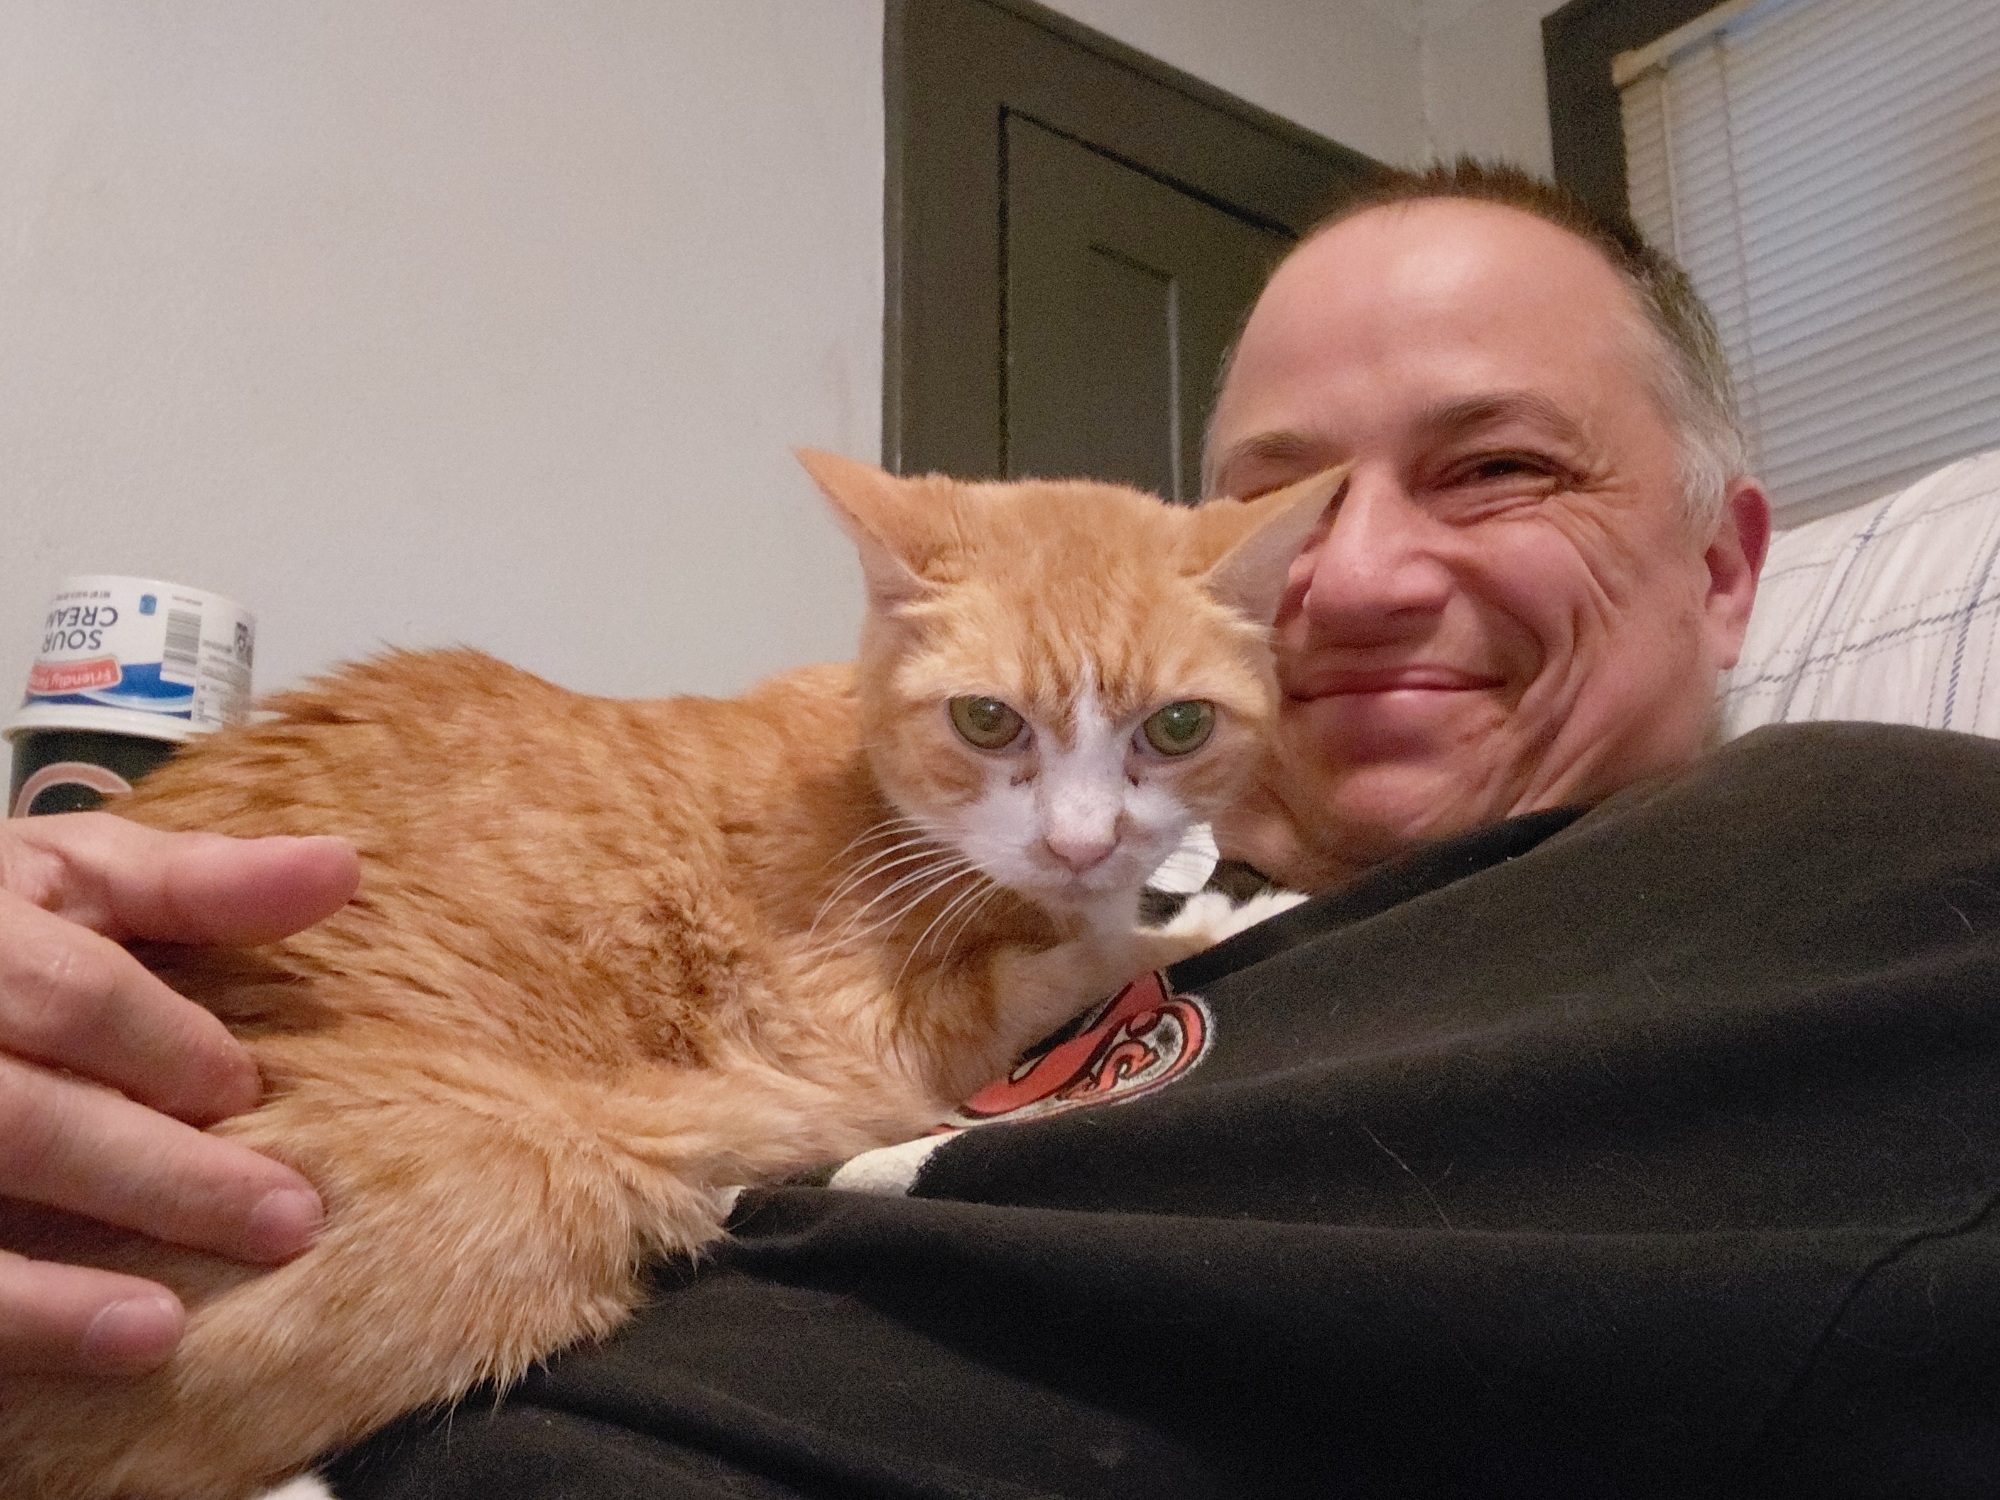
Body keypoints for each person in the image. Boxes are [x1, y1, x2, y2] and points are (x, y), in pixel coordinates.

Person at [9, 163, 2000, 1495]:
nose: (1348, 577)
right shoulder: (1104, 891)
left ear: (1725, 571)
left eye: (1494, 468)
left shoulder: (1880, 879)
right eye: (1286, 504)